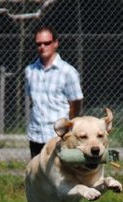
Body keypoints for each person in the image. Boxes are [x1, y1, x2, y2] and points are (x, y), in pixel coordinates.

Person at [25, 26, 83, 159]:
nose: (42, 46)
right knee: (38, 177)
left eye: (47, 43)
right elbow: (33, 100)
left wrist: (68, 126)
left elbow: (76, 101)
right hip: (36, 135)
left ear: (55, 43)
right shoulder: (30, 71)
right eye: (38, 44)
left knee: (59, 177)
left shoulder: (68, 72)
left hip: (58, 137)